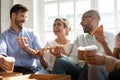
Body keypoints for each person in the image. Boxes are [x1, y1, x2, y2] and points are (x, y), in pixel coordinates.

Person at [52, 10, 114, 80]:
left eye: (83, 20)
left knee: (91, 62)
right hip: (79, 70)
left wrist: (103, 43)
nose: (81, 23)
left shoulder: (109, 36)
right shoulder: (80, 38)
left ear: (92, 19)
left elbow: (111, 59)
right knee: (59, 61)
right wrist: (61, 56)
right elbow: (74, 59)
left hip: (97, 70)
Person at [0, 4, 45, 74]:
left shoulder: (32, 34)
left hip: (30, 70)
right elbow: (1, 50)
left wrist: (26, 49)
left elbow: (41, 55)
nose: (25, 20)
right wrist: (1, 57)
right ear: (13, 16)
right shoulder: (4, 36)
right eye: (22, 16)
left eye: (26, 17)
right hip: (12, 70)